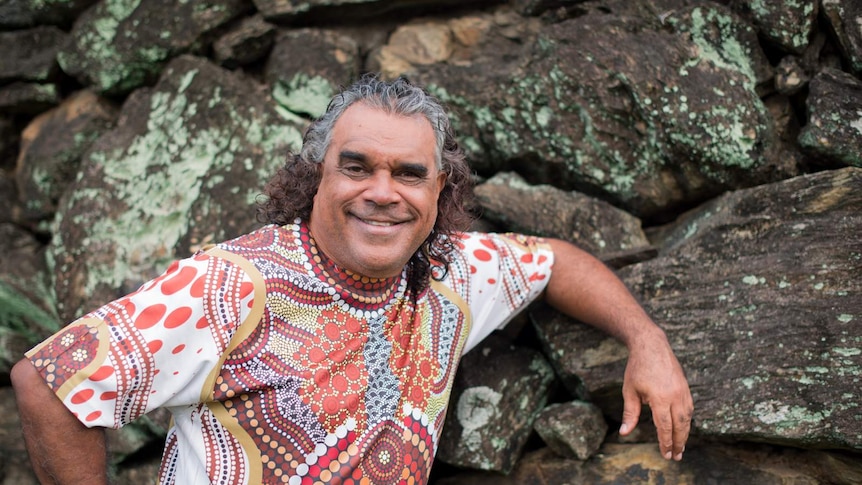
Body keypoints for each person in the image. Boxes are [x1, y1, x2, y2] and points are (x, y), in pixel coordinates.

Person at [11, 75, 693, 485]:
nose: (382, 192)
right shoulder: (233, 285)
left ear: (439, 190)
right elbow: (51, 382)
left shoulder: (450, 275)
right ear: (317, 176)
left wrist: (645, 337)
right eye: (357, 166)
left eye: (407, 173)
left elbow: (555, 262)